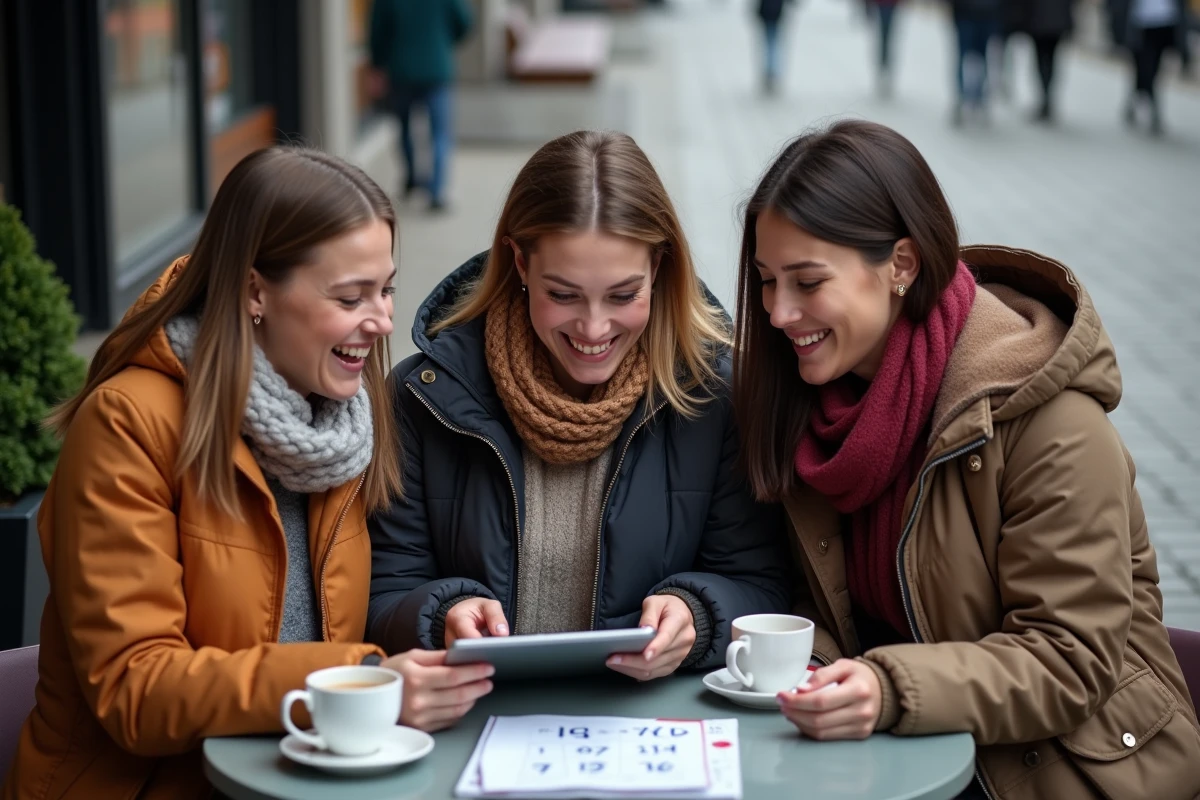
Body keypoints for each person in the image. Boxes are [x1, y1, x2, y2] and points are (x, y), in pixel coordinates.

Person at [3, 147, 495, 800]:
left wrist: (439, 616)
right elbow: (134, 689)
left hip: (302, 780)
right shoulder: (128, 423)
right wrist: (358, 683)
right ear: (255, 292)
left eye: (386, 289)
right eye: (351, 296)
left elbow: (341, 620)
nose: (382, 322)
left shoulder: (343, 421)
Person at [731, 120, 1200, 799]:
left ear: (901, 265)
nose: (777, 313)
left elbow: (1070, 660)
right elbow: (827, 608)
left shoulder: (1051, 421)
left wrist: (889, 687)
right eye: (767, 281)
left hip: (1065, 771)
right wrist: (814, 671)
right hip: (903, 755)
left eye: (807, 282)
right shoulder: (815, 416)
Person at [367, 130, 791, 681]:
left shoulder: (717, 395)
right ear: (520, 263)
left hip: (649, 720)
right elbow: (382, 594)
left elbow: (762, 586)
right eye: (563, 295)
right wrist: (439, 616)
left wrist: (698, 615)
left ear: (659, 267)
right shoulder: (423, 397)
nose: (593, 328)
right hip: (473, 717)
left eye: (623, 295)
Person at [368, 0, 473, 210]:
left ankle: (412, 179)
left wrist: (377, 64)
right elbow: (464, 23)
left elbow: (378, 32)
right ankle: (437, 190)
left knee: (404, 128)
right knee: (439, 133)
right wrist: (443, 40)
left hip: (401, 70)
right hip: (436, 68)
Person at [1110, 0, 1188, 134]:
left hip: (1165, 23)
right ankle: (1147, 104)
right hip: (1140, 23)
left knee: (1153, 68)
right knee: (1143, 67)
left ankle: (1143, 103)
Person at [1017, 0, 1077, 123]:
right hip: (1056, 23)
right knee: (1051, 60)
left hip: (1038, 22)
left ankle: (1044, 97)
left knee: (1041, 61)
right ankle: (1047, 97)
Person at [948, 0, 1003, 125]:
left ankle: (977, 98)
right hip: (966, 12)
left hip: (987, 12)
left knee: (980, 57)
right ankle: (963, 98)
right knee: (966, 56)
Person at [757, 0, 794, 94]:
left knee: (769, 43)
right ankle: (772, 71)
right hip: (777, 12)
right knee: (774, 44)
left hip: (766, 12)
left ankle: (770, 71)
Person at [869, 0, 902, 98]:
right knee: (884, 36)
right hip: (883, 4)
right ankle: (883, 67)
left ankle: (885, 67)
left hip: (890, 4)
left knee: (887, 36)